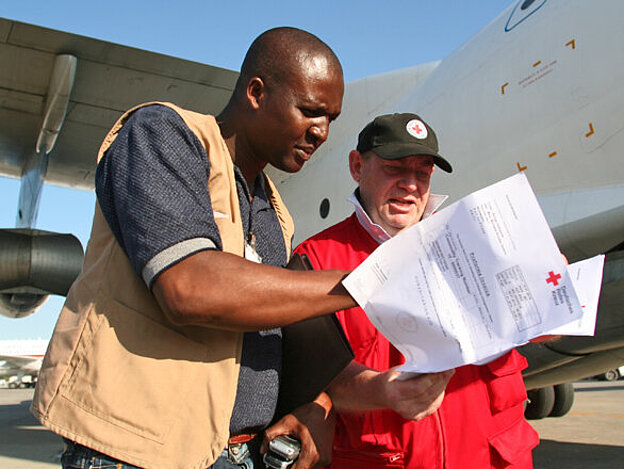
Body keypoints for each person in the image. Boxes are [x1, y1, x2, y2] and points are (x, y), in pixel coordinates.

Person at [31, 27, 364, 469]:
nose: (321, 132)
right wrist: (364, 282)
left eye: (331, 119)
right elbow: (188, 288)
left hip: (236, 453)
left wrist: (317, 403)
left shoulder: (273, 210)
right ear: (256, 92)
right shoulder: (161, 134)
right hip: (134, 454)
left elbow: (264, 330)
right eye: (310, 111)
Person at [295, 113, 540, 468]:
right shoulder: (314, 261)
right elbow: (313, 380)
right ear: (356, 166)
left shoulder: (478, 241)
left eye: (422, 173)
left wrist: (549, 306)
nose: (410, 184)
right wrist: (380, 390)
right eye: (395, 168)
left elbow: (533, 322)